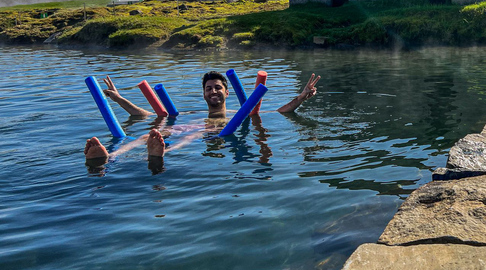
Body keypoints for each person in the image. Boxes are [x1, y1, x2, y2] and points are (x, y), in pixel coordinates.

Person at [84, 71, 321, 170]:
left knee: (193, 135)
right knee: (150, 133)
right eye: (208, 88)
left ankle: (160, 153)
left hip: (216, 132)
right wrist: (118, 98)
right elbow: (143, 115)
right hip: (193, 126)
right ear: (204, 94)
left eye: (218, 87)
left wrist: (300, 97)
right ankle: (111, 156)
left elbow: (281, 112)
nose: (213, 91)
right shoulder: (188, 115)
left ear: (227, 93)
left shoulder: (242, 115)